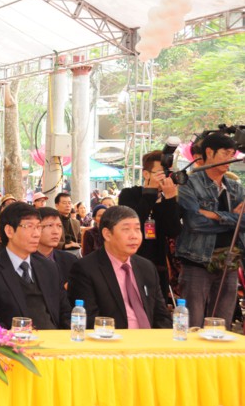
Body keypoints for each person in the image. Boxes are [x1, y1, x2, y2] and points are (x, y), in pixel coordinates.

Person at [176, 133, 244, 327]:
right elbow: (195, 222)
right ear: (209, 152)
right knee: (193, 324)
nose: (230, 159)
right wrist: (233, 217)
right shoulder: (188, 183)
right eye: (225, 153)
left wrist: (215, 215)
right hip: (197, 261)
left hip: (229, 262)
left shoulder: (235, 187)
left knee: (222, 325)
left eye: (232, 154)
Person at [67, 206, 172, 329]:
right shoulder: (85, 269)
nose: (134, 236)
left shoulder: (146, 267)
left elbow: (161, 316)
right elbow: (89, 321)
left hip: (150, 339)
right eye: (126, 229)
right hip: (111, 338)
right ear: (107, 234)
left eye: (137, 229)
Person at [0, 202, 70, 330]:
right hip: (14, 340)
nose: (36, 234)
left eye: (38, 227)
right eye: (29, 226)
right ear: (9, 231)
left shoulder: (49, 267)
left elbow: (65, 312)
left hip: (53, 339)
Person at [119, 150, 182, 301]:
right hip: (132, 263)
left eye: (168, 173)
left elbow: (173, 231)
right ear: (146, 174)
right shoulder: (129, 194)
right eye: (160, 173)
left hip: (159, 265)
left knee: (158, 308)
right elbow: (132, 221)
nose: (165, 177)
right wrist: (150, 192)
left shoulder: (168, 198)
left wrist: (170, 199)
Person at [36, 207, 78, 286]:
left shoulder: (70, 260)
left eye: (59, 226)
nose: (56, 232)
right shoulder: (25, 262)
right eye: (50, 225)